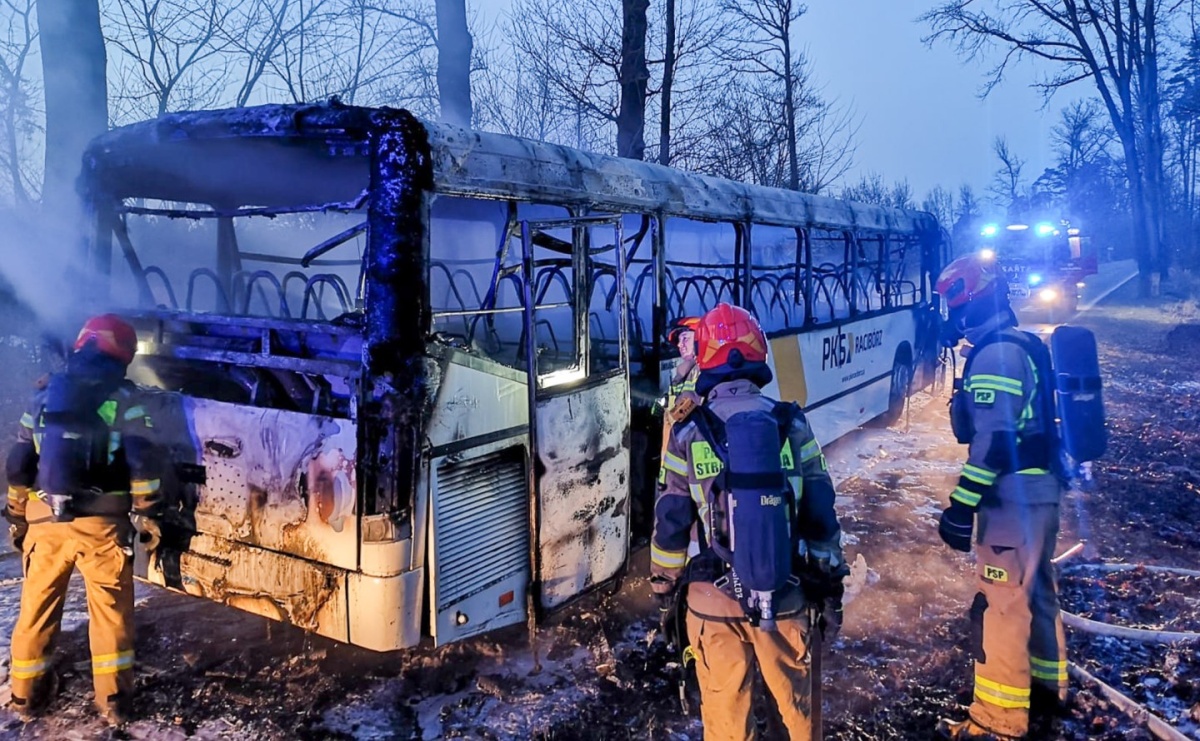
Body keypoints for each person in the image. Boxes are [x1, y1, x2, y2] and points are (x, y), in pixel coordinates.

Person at [650, 303, 846, 740]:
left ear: (705, 356)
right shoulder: (791, 422)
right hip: (785, 592)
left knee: (725, 718)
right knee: (796, 713)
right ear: (759, 352)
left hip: (711, 600)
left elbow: (670, 521)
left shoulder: (686, 431)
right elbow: (819, 509)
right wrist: (830, 583)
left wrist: (664, 590)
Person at [3, 314, 163, 727]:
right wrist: (146, 512)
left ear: (83, 342)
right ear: (123, 354)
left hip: (44, 520)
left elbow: (20, 461)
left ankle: (24, 696)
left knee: (36, 609)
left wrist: (17, 514)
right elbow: (142, 460)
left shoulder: (44, 394)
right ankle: (112, 703)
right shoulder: (124, 398)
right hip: (102, 525)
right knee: (109, 614)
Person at [934, 255, 1068, 740]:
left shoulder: (995, 355)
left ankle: (997, 720)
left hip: (1012, 499)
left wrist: (961, 504)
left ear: (972, 303)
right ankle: (1046, 693)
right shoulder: (1020, 344)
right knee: (1036, 593)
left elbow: (992, 441)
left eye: (955, 305)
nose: (952, 316)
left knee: (1003, 604)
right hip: (1038, 492)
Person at [658, 316, 702, 474]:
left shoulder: (701, 370)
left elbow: (681, 413)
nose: (679, 345)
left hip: (690, 455)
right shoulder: (683, 374)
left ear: (700, 338)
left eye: (685, 338)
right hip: (677, 453)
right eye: (678, 341)